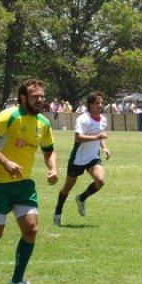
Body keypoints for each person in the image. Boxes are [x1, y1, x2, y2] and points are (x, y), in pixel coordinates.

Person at [0, 79, 57, 284]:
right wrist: (5, 161)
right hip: (0, 184)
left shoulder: (43, 123)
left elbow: (49, 150)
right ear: (23, 98)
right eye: (35, 96)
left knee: (31, 230)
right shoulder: (10, 115)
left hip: (24, 186)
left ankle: (17, 281)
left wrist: (53, 168)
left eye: (42, 96)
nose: (40, 100)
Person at [53, 91, 110, 225]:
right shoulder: (83, 119)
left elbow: (100, 135)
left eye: (102, 103)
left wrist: (104, 147)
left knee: (100, 181)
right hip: (78, 159)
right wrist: (96, 138)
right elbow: (78, 138)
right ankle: (58, 211)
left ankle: (82, 198)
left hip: (93, 158)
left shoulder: (103, 119)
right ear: (90, 104)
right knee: (67, 188)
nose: (100, 105)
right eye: (97, 103)